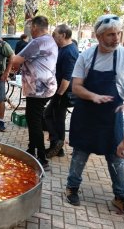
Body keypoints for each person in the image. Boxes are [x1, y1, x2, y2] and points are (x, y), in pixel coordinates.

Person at [64, 14, 124, 217]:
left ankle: (120, 197)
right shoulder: (86, 56)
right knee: (80, 154)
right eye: (111, 34)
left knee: (117, 157)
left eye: (118, 33)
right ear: (98, 36)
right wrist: (93, 96)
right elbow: (76, 87)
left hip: (113, 116)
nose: (116, 38)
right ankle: (72, 187)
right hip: (86, 114)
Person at [11, 16, 58, 171]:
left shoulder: (38, 41)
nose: (30, 30)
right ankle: (32, 150)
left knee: (34, 122)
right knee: (34, 119)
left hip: (39, 89)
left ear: (35, 27)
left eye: (31, 27)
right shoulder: (50, 40)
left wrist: (6, 52)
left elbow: (16, 59)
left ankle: (42, 159)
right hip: (45, 87)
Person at [44, 24, 79, 158]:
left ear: (63, 35)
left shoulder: (70, 52)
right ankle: (58, 149)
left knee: (48, 115)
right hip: (58, 90)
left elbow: (67, 77)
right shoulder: (62, 49)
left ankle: (57, 142)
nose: (54, 36)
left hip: (63, 92)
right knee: (57, 119)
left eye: (55, 34)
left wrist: (59, 95)